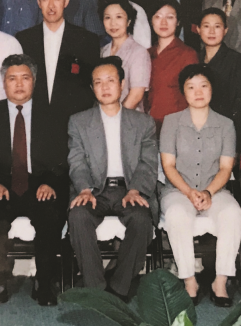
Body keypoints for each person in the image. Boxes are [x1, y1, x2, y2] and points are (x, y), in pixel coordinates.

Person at [0, 54, 69, 308]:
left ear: (34, 81)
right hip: (3, 186)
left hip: (39, 186)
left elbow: (62, 158)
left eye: (25, 78)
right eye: (12, 78)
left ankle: (44, 282)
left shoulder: (53, 116)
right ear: (3, 83)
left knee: (50, 212)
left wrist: (50, 182)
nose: (18, 84)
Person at [67, 58, 158, 301]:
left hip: (129, 189)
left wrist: (136, 189)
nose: (105, 87)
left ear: (122, 84)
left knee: (141, 219)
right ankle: (95, 288)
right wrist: (84, 189)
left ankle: (119, 287)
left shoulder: (143, 123)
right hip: (94, 190)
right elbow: (77, 160)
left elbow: (148, 163)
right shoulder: (79, 121)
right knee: (78, 216)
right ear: (92, 88)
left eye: (110, 81)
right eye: (98, 82)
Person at [160, 64, 241, 307]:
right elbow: (168, 165)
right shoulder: (171, 122)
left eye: (203, 86)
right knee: (176, 214)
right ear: (183, 92)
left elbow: (226, 168)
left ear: (212, 89)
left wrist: (208, 192)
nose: (198, 92)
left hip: (214, 190)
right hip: (178, 190)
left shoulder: (226, 125)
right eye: (191, 87)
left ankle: (220, 282)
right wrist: (189, 192)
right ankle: (189, 281)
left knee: (232, 213)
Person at [16, 0, 100, 132]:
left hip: (75, 123)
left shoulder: (86, 39)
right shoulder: (24, 39)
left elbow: (90, 85)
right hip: (35, 122)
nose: (51, 5)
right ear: (39, 3)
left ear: (66, 2)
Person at [147, 0, 200, 127]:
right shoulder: (146, 54)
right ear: (151, 21)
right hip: (148, 125)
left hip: (176, 125)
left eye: (170, 17)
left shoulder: (187, 54)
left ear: (178, 22)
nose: (163, 22)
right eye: (158, 17)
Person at [197, 8, 241, 132]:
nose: (211, 31)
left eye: (217, 26)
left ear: (225, 30)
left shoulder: (237, 60)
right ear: (198, 29)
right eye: (206, 26)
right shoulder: (194, 59)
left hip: (225, 130)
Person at [100, 0, 151, 111]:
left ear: (128, 21)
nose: (113, 23)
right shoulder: (102, 51)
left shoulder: (139, 52)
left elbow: (136, 95)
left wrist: (116, 117)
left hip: (129, 116)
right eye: (107, 17)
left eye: (119, 17)